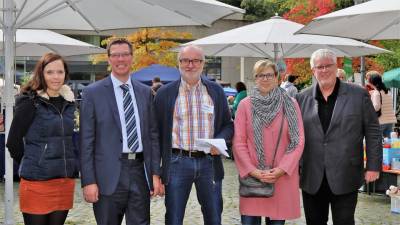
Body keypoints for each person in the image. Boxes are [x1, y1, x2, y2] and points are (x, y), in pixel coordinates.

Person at [79, 38, 162, 225]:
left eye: (125, 54)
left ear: (132, 58)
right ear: (108, 59)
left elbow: (152, 135)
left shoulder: (145, 92)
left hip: (139, 172)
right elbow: (86, 142)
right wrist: (88, 181)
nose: (120, 59)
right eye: (115, 55)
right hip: (106, 176)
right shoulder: (92, 93)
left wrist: (155, 173)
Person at [295, 49, 382, 225]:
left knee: (344, 221)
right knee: (314, 221)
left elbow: (372, 131)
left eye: (328, 65)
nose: (324, 70)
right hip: (312, 175)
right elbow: (295, 136)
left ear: (336, 67)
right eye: (320, 67)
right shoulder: (301, 98)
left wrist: (373, 166)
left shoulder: (358, 95)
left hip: (346, 173)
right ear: (313, 71)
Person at [153, 45, 233, 225]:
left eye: (196, 60)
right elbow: (155, 133)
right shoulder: (164, 93)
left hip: (209, 163)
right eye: (185, 60)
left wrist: (219, 142)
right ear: (178, 64)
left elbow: (228, 125)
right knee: (173, 217)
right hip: (176, 163)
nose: (190, 65)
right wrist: (155, 171)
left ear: (203, 64)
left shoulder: (216, 91)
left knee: (213, 216)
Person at [6, 53, 77, 225]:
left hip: (64, 181)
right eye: (50, 72)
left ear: (65, 74)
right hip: (37, 183)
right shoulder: (30, 102)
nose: (55, 77)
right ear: (41, 74)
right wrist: (32, 162)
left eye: (60, 72)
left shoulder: (69, 102)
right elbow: (13, 141)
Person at [233, 59, 305, 225]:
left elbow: (298, 140)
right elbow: (239, 142)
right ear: (255, 78)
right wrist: (252, 171)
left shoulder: (291, 104)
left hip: (281, 178)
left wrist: (282, 169)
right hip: (253, 179)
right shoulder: (245, 105)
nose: (265, 79)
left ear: (277, 77)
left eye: (269, 75)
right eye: (260, 75)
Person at [367, 71, 397, 138]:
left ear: (372, 82)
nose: (367, 81)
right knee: (389, 142)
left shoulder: (376, 93)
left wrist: (368, 108)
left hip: (380, 121)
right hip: (390, 121)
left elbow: (376, 107)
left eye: (368, 80)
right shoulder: (387, 92)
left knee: (377, 142)